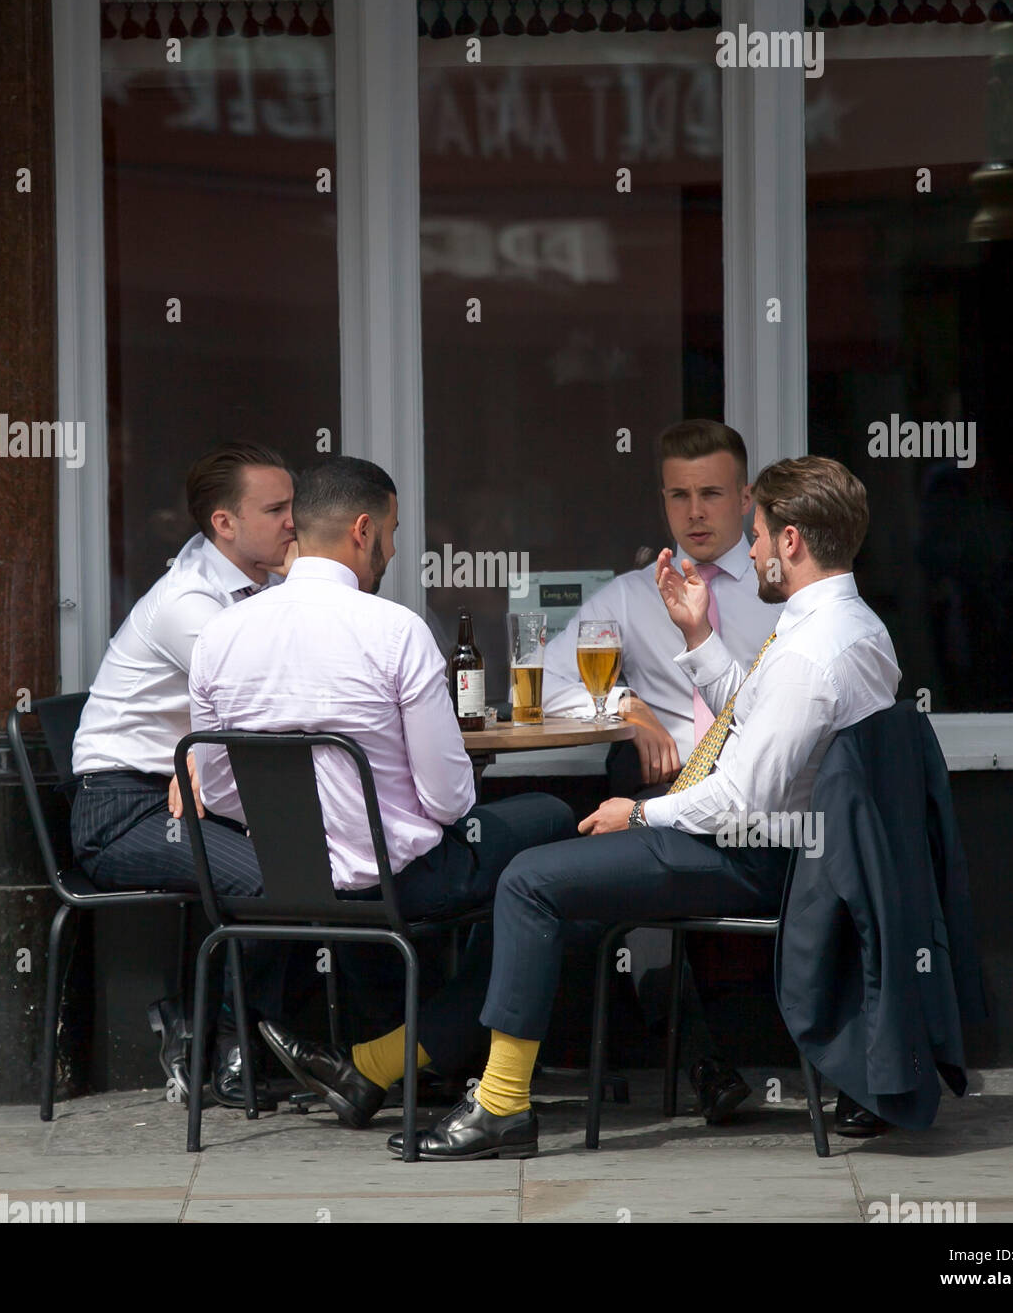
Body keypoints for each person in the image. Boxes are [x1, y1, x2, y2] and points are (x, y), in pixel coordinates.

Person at [386, 455, 901, 1159]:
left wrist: (638, 812)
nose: (748, 550)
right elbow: (755, 720)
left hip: (757, 850)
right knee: (567, 878)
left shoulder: (810, 651)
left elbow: (741, 796)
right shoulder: (848, 626)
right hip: (783, 842)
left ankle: (501, 1104)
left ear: (791, 543)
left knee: (529, 879)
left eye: (755, 534)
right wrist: (697, 635)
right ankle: (422, 1063)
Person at [187, 455, 576, 1126]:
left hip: (278, 886)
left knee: (527, 876)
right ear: (363, 530)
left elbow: (219, 792)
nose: (393, 550)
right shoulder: (394, 631)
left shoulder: (219, 636)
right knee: (555, 824)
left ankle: (391, 1058)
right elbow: (453, 801)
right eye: (392, 533)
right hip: (403, 885)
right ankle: (442, 1054)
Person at [542, 419, 779, 1121]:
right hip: (671, 788)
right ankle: (703, 1062)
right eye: (679, 496)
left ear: (745, 498)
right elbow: (553, 681)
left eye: (711, 493)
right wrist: (624, 704)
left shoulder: (780, 590)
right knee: (621, 879)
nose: (695, 513)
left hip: (767, 796)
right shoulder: (629, 596)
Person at [69, 442, 296, 1109]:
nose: (294, 522)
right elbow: (263, 700)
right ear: (224, 524)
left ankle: (230, 1029)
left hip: (193, 795)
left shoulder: (271, 587)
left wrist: (199, 757)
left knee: (308, 863)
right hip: (121, 809)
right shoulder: (188, 602)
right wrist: (197, 754)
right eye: (277, 509)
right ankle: (229, 1048)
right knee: (271, 875)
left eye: (295, 507)